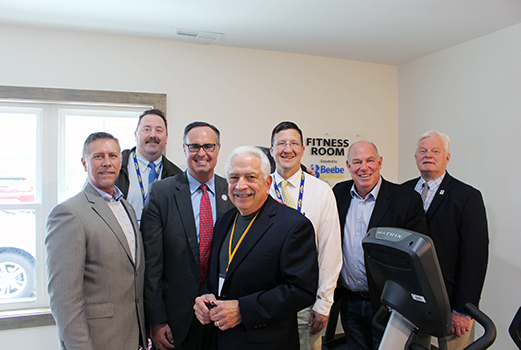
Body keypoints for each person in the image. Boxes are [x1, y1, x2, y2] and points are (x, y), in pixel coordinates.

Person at [194, 146, 319, 350]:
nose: (241, 186)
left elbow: (301, 290)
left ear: (267, 182)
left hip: (264, 341)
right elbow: (219, 276)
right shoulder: (225, 221)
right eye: (234, 177)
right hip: (220, 338)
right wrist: (206, 296)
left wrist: (244, 310)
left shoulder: (293, 225)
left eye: (251, 177)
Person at [45, 132, 145, 350]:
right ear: (84, 163)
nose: (107, 163)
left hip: (131, 338)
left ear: (121, 161)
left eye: (113, 156)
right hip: (98, 341)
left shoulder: (126, 207)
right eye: (98, 156)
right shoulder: (69, 213)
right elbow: (64, 300)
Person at [140, 121, 234, 350]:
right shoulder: (161, 193)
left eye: (208, 146)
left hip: (223, 317)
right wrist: (157, 320)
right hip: (175, 321)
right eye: (194, 147)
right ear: (184, 149)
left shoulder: (232, 193)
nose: (201, 153)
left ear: (218, 149)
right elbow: (151, 265)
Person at [332, 140, 427, 350]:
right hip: (350, 301)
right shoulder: (338, 193)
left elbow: (416, 257)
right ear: (348, 166)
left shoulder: (405, 199)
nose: (363, 167)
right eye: (356, 162)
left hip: (389, 305)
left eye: (369, 160)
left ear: (380, 162)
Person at [403, 130, 489, 350]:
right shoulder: (402, 192)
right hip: (411, 299)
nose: (428, 155)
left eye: (435, 151)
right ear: (415, 158)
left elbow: (475, 257)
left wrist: (464, 309)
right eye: (422, 151)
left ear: (447, 158)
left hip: (450, 301)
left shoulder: (467, 197)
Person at [269, 121, 342, 350]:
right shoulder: (262, 189)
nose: (287, 149)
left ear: (302, 149)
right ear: (271, 150)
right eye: (281, 143)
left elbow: (331, 250)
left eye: (293, 144)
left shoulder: (321, 191)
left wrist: (323, 303)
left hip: (305, 303)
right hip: (267, 301)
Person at [115, 109, 182, 221]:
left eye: (159, 130)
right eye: (146, 129)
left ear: (166, 138)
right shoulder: (116, 167)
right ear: (136, 135)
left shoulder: (177, 177)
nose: (153, 135)